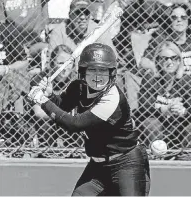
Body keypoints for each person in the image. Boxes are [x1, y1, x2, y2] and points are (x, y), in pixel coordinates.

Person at [27, 43, 150, 196]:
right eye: (92, 69)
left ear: (111, 73)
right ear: (83, 72)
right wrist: (50, 95)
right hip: (98, 167)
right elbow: (62, 106)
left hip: (127, 164)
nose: (97, 76)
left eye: (103, 70)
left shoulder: (113, 99)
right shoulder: (78, 87)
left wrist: (42, 101)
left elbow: (74, 124)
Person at [136, 41, 191, 149]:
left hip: (179, 124)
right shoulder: (150, 79)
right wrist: (164, 109)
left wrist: (184, 112)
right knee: (151, 124)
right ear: (158, 60)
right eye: (165, 58)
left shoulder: (186, 81)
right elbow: (143, 105)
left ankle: (186, 156)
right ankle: (154, 156)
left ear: (179, 60)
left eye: (174, 58)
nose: (169, 62)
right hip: (158, 123)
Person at [48, 0, 117, 58]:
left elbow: (113, 56)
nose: (83, 17)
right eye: (78, 13)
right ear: (70, 15)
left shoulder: (98, 30)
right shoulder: (59, 31)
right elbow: (52, 60)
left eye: (86, 13)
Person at [140, 3, 191, 75]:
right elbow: (144, 60)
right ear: (170, 21)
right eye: (174, 17)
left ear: (188, 20)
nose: (179, 20)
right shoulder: (161, 40)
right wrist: (155, 69)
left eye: (183, 17)